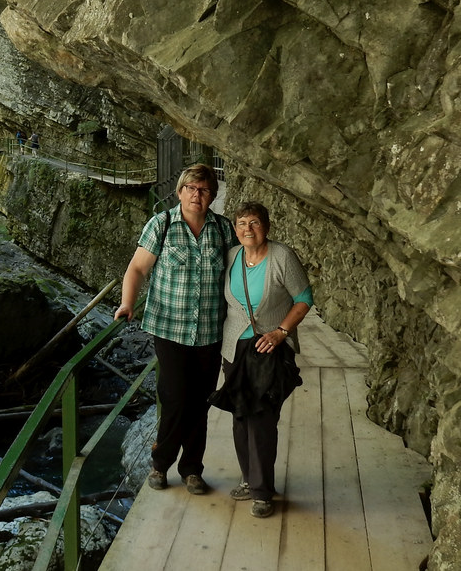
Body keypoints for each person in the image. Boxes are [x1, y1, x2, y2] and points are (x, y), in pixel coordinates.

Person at [114, 164, 236, 495]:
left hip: (210, 329)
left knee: (201, 400)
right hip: (169, 327)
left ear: (213, 195)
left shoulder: (223, 229)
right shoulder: (162, 224)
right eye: (192, 189)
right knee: (176, 396)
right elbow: (137, 269)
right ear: (180, 191)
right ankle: (160, 463)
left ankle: (192, 470)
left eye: (205, 190)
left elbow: (242, 272)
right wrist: (127, 303)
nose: (198, 195)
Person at [220, 201, 312, 518]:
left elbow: (304, 299)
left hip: (269, 347)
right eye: (242, 223)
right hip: (234, 348)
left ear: (267, 227)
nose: (248, 229)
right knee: (240, 415)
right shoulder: (232, 256)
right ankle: (248, 478)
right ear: (235, 230)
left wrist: (280, 332)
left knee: (261, 419)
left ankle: (262, 491)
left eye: (255, 222)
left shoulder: (282, 257)